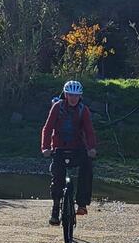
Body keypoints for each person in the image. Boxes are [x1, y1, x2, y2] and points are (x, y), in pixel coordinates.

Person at [41, 79, 97, 224]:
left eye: (76, 95)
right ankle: (55, 210)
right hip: (59, 148)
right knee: (57, 179)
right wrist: (46, 148)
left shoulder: (83, 110)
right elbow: (47, 129)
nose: (73, 98)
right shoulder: (57, 107)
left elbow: (89, 131)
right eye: (70, 95)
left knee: (87, 169)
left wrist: (91, 148)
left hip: (77, 148)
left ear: (80, 96)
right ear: (65, 94)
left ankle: (82, 204)